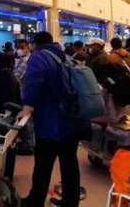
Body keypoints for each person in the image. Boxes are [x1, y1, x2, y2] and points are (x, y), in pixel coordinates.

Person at [18, 32, 89, 207]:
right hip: (72, 119)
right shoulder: (64, 55)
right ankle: (70, 202)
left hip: (51, 122)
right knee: (69, 163)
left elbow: (33, 82)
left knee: (43, 165)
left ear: (34, 44)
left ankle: (35, 201)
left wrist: (27, 105)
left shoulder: (39, 56)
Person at [14, 39, 34, 155]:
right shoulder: (24, 59)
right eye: (18, 47)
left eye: (22, 47)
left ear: (28, 47)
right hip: (27, 93)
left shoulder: (26, 61)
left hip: (24, 93)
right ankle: (29, 143)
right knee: (27, 119)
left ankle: (28, 145)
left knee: (25, 119)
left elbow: (16, 77)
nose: (20, 50)